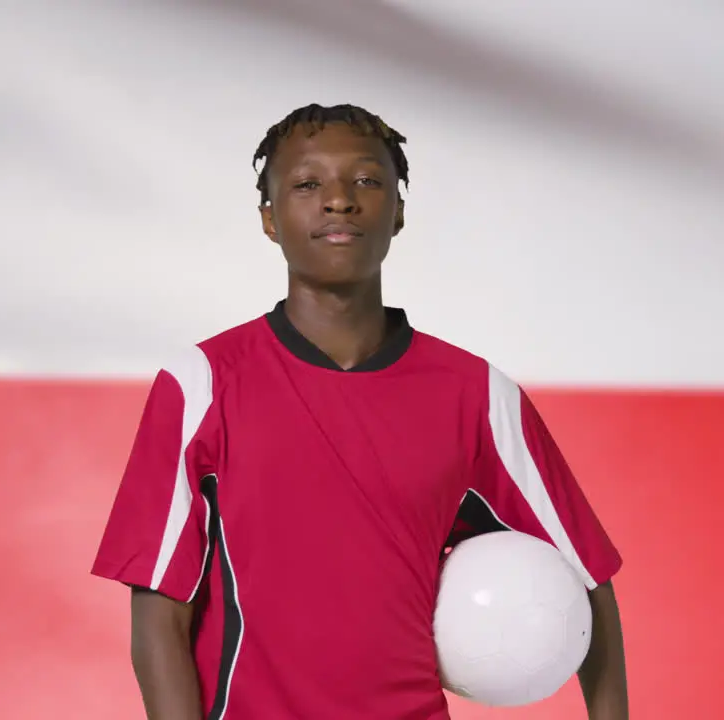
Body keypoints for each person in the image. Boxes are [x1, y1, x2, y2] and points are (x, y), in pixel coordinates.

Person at [92, 103, 629, 719]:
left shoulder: (476, 395)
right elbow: (160, 611)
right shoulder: (202, 385)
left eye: (367, 181)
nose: (338, 201)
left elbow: (588, 581)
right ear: (269, 218)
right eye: (307, 184)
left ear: (398, 211)